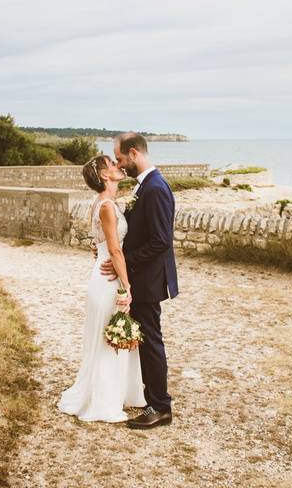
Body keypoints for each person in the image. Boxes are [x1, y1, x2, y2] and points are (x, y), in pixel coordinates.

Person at [58, 155, 145, 422]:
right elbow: (115, 249)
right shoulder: (106, 206)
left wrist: (100, 252)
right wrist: (127, 287)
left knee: (106, 337)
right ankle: (103, 402)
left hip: (101, 273)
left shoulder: (101, 203)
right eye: (112, 165)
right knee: (109, 338)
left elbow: (102, 245)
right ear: (105, 175)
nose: (119, 167)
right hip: (108, 280)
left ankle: (114, 393)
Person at [101, 132, 178, 429]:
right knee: (146, 341)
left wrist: (125, 261)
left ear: (133, 153)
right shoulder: (145, 185)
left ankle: (160, 407)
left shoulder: (155, 188)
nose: (120, 164)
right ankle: (151, 399)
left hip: (149, 279)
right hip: (143, 277)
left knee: (151, 342)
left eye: (120, 159)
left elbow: (161, 241)